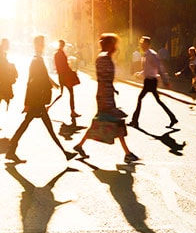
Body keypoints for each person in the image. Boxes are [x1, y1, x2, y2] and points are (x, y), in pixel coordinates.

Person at [5, 35, 77, 164]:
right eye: (42, 44)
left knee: (26, 125)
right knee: (46, 128)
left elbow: (43, 76)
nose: (43, 46)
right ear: (37, 45)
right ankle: (65, 153)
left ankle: (11, 150)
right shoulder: (36, 61)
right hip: (36, 101)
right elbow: (31, 82)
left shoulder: (38, 60)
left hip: (37, 101)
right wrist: (27, 103)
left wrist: (53, 83)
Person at [73, 33, 139, 163]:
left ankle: (80, 145)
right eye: (114, 44)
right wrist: (105, 97)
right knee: (117, 122)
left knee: (101, 122)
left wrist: (112, 89)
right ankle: (127, 153)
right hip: (104, 96)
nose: (116, 47)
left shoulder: (106, 57)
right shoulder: (103, 59)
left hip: (107, 94)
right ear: (109, 45)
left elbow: (105, 78)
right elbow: (102, 79)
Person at [128, 36, 178, 129]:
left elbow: (159, 67)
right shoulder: (146, 54)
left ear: (147, 44)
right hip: (149, 80)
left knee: (140, 98)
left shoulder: (151, 54)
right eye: (140, 43)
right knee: (157, 100)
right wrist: (139, 74)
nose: (141, 45)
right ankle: (172, 117)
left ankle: (135, 121)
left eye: (142, 43)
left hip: (151, 81)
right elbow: (147, 69)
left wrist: (165, 80)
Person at [175, 46, 196, 110]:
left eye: (191, 51)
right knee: (194, 90)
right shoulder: (190, 59)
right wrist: (180, 72)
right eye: (189, 51)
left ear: (194, 52)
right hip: (194, 76)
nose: (190, 53)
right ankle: (193, 103)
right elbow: (186, 68)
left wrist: (195, 68)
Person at [54, 39, 81, 123]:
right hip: (65, 76)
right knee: (70, 93)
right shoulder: (60, 54)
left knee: (62, 93)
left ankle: (48, 107)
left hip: (61, 76)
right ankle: (72, 111)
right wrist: (71, 72)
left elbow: (58, 66)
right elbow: (64, 66)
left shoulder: (56, 54)